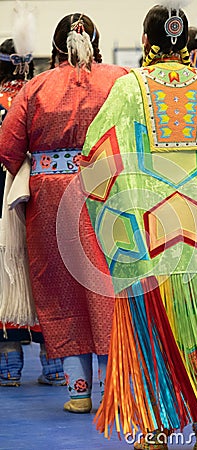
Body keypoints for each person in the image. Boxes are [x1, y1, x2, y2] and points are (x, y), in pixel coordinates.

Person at [80, 3, 197, 449]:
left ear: (146, 43)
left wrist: (118, 228)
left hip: (150, 242)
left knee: (154, 335)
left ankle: (156, 429)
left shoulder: (128, 91)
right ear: (186, 46)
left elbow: (97, 158)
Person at [0, 13, 128, 410]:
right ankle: (118, 390)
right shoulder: (121, 80)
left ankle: (79, 393)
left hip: (52, 200)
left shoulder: (36, 87)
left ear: (54, 47)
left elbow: (8, 148)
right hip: (110, 192)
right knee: (111, 287)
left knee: (61, 291)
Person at [0, 36, 65, 387]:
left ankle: (8, 364)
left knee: (5, 271)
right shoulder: (44, 93)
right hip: (40, 190)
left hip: (6, 191)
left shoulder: (27, 94)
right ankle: (52, 361)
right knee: (42, 270)